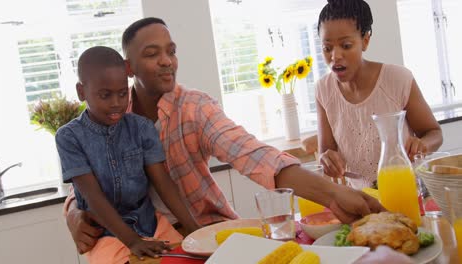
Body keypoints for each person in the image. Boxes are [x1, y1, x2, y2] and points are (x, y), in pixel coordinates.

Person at [64, 17, 385, 262]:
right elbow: (83, 184)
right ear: (129, 67)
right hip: (145, 241)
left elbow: (253, 155)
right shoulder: (108, 117)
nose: (167, 61)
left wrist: (334, 193)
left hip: (205, 233)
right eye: (152, 54)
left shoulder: (194, 108)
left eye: (171, 51)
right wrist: (74, 212)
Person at [56, 46, 200, 262]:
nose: (116, 103)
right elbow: (93, 197)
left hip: (153, 225)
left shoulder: (141, 128)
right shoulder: (69, 137)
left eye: (123, 93)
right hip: (107, 235)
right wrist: (133, 241)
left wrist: (195, 229)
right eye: (105, 95)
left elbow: (163, 182)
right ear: (81, 92)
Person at [315, 0, 443, 188]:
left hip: (407, 189)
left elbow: (434, 133)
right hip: (362, 200)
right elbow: (326, 150)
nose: (335, 56)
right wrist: (327, 160)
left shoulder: (397, 79)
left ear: (365, 40)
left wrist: (422, 145)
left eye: (346, 45)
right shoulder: (323, 89)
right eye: (327, 48)